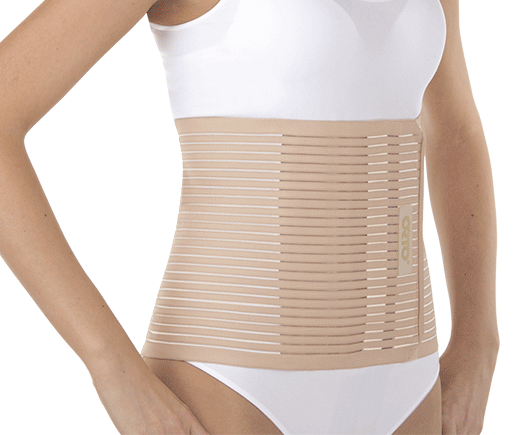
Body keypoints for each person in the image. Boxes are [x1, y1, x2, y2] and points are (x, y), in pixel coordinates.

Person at [0, 0, 499, 434]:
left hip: (407, 388)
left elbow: (454, 130)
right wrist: (112, 368)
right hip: (231, 385)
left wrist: (478, 338)